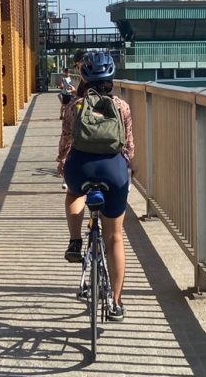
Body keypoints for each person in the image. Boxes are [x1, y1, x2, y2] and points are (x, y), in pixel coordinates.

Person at [57, 52, 134, 322]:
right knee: (114, 236)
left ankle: (76, 241)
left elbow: (66, 142)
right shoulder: (122, 107)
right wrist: (125, 170)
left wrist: (62, 167)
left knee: (74, 192)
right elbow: (129, 148)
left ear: (84, 78)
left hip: (81, 169)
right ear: (110, 78)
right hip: (113, 172)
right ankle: (115, 302)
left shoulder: (75, 106)